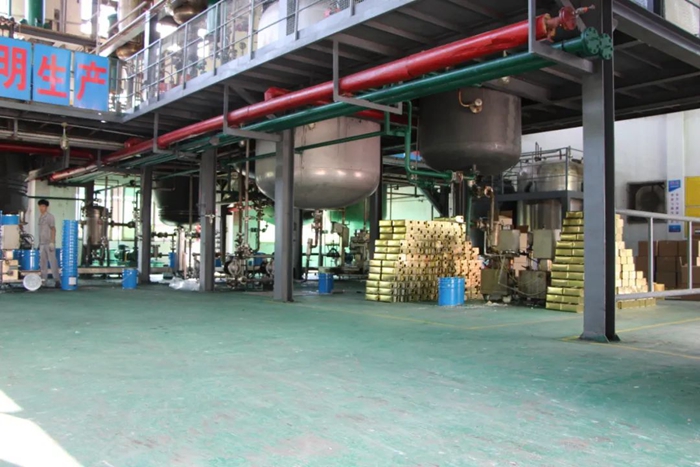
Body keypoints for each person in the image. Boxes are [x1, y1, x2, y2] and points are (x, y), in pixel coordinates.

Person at [37, 199, 61, 289]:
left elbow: (53, 229)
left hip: (48, 243)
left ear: (46, 207)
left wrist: (52, 242)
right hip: (42, 243)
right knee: (42, 263)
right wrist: (39, 244)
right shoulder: (40, 217)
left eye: (43, 206)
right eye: (40, 206)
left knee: (52, 261)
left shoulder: (49, 217)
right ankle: (43, 281)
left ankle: (57, 280)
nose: (41, 208)